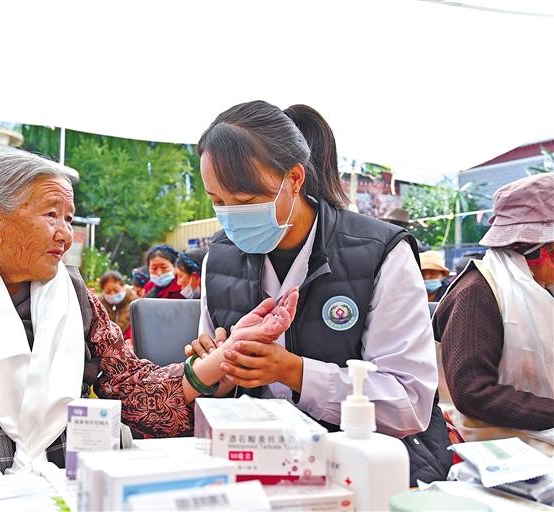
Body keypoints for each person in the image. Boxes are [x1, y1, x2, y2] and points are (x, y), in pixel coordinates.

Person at [0, 152, 300, 489]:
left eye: (69, 218)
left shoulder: (71, 292)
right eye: (51, 215)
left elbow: (131, 387)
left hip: (56, 482)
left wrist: (223, 357)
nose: (65, 234)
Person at [188, 101, 451, 484]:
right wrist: (216, 370)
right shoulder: (220, 257)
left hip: (366, 468)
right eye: (217, 202)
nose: (231, 216)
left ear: (294, 178)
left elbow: (408, 403)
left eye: (245, 201)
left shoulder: (380, 252)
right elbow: (209, 396)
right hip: (257, 463)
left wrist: (294, 372)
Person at [433, 173, 554, 451]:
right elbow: (473, 392)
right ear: (537, 251)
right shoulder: (476, 293)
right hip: (489, 445)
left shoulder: (539, 289)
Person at [97, 270, 137, 345]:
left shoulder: (135, 304)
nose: (112, 294)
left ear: (123, 287)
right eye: (108, 291)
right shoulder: (98, 306)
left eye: (116, 290)